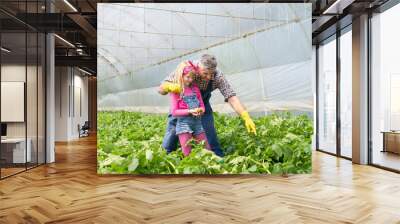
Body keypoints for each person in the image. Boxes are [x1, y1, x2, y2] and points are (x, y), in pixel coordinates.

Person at [159, 54, 256, 157]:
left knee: (210, 136)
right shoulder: (187, 69)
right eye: (205, 73)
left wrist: (245, 115)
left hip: (202, 107)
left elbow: (231, 96)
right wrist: (169, 86)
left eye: (211, 74)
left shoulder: (218, 76)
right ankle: (166, 157)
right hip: (181, 106)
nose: (209, 77)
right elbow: (161, 89)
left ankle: (217, 160)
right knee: (172, 135)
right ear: (198, 68)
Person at [169, 62, 210, 156]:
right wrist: (190, 111)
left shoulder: (195, 89)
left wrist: (201, 110)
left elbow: (202, 106)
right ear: (181, 76)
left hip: (197, 123)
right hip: (184, 125)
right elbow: (174, 112)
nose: (190, 80)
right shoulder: (177, 90)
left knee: (207, 150)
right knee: (187, 153)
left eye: (192, 77)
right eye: (187, 77)